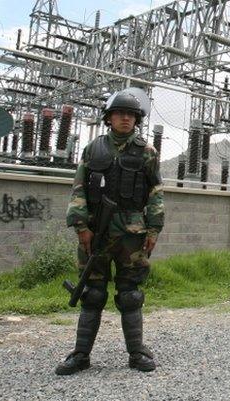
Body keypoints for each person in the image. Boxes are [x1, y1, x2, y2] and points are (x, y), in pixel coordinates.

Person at [56, 88, 165, 375]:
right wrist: (81, 226)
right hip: (96, 233)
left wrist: (154, 229)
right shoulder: (94, 149)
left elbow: (155, 192)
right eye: (120, 114)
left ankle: (137, 353)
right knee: (92, 294)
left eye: (131, 115)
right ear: (109, 118)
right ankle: (80, 355)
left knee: (130, 294)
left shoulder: (147, 152)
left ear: (136, 119)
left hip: (131, 235)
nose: (125, 119)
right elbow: (78, 189)